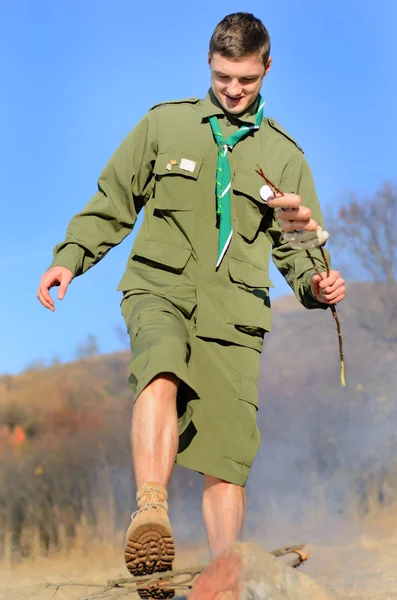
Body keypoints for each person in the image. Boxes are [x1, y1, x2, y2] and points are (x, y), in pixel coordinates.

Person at [37, 11, 345, 598]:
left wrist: (317, 286)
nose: (233, 90)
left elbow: (301, 250)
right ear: (209, 63)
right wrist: (71, 256)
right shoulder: (164, 126)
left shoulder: (284, 156)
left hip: (235, 317)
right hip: (160, 289)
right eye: (224, 77)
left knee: (227, 459)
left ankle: (223, 578)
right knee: (160, 364)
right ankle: (150, 513)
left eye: (246, 80)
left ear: (267, 69)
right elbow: (113, 201)